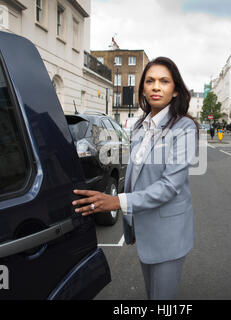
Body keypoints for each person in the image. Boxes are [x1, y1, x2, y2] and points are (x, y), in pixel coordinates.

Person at [72, 57, 198, 300]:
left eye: (164, 81)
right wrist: (131, 224)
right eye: (149, 81)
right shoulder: (141, 126)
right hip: (146, 227)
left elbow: (170, 186)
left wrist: (117, 202)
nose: (156, 86)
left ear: (175, 91)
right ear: (142, 89)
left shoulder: (183, 128)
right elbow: (134, 176)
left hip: (169, 234)